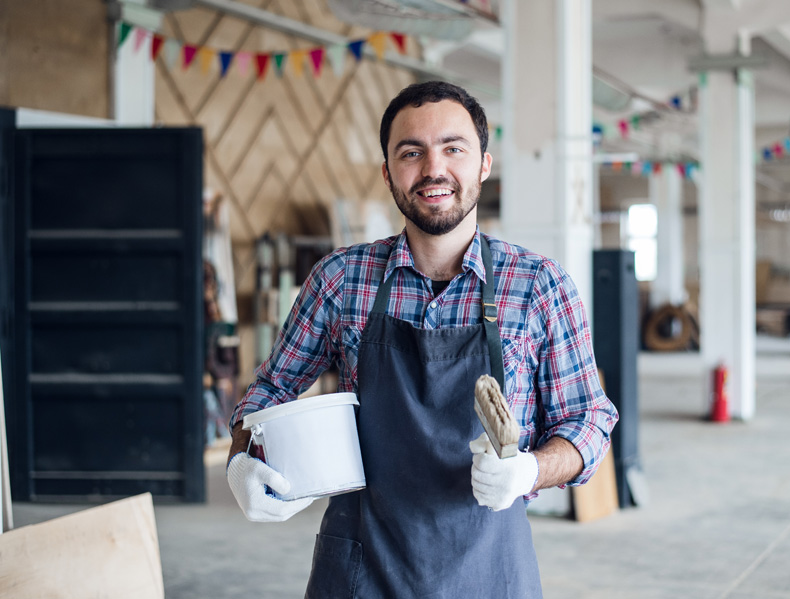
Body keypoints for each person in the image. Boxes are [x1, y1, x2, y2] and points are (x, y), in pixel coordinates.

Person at [226, 80, 618, 598]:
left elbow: (589, 420)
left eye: (453, 148)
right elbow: (269, 392)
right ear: (388, 172)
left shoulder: (538, 285)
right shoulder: (342, 280)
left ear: (483, 164)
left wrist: (529, 472)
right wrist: (241, 458)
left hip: (490, 573)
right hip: (362, 569)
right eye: (412, 153)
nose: (434, 169)